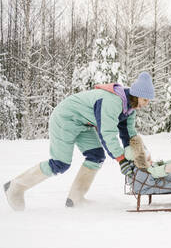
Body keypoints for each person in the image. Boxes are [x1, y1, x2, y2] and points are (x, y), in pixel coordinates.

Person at [3, 72, 155, 211]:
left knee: (96, 157)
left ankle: (75, 199)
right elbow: (107, 133)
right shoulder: (113, 101)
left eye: (149, 101)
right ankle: (16, 187)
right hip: (66, 118)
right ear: (135, 95)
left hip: (84, 123)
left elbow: (129, 135)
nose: (146, 104)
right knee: (60, 163)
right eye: (145, 99)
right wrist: (121, 160)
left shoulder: (130, 109)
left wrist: (139, 155)